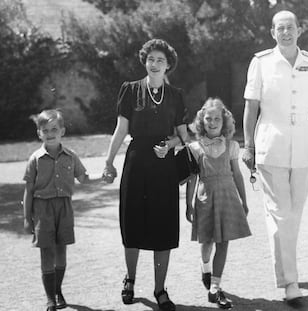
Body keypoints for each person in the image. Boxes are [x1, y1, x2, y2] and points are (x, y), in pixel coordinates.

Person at [242, 10, 308, 303]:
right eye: (280, 28)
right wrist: (248, 146)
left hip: (304, 149)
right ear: (272, 32)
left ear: (299, 29)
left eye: (290, 27)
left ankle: (286, 270)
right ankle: (290, 283)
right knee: (282, 215)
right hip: (271, 147)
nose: (286, 32)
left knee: (292, 215)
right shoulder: (261, 63)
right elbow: (251, 108)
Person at [102, 39, 187, 311]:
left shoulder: (176, 95)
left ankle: (160, 289)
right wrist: (108, 161)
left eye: (160, 60)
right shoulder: (129, 90)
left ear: (168, 65)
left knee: (163, 224)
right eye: (151, 58)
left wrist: (171, 145)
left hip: (164, 166)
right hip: (136, 162)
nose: (155, 63)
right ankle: (130, 279)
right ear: (145, 61)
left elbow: (184, 136)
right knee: (133, 221)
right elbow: (121, 129)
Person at [23, 109, 102, 311]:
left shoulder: (71, 156)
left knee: (61, 251)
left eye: (54, 129)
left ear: (63, 131)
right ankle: (50, 298)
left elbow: (83, 178)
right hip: (42, 209)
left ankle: (58, 290)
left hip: (64, 207)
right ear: (39, 133)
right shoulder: (35, 159)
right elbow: (29, 190)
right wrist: (27, 219)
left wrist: (103, 176)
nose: (50, 134)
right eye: (45, 130)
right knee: (46, 253)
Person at [186, 98, 251, 309]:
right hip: (206, 198)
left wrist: (244, 200)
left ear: (224, 123)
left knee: (224, 241)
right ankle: (205, 266)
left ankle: (215, 287)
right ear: (201, 121)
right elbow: (192, 178)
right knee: (207, 242)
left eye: (217, 119)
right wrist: (188, 205)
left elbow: (238, 175)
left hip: (228, 197)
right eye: (208, 119)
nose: (212, 122)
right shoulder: (195, 147)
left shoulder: (232, 146)